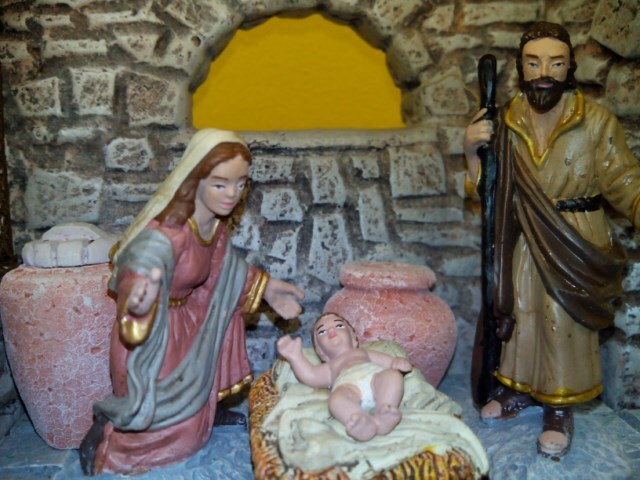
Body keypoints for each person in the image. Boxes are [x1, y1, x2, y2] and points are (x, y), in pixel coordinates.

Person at [79, 129, 304, 475]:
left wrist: (268, 289)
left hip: (187, 326)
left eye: (241, 184)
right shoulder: (167, 235)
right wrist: (139, 300)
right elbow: (138, 271)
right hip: (153, 337)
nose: (232, 194)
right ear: (194, 179)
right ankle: (108, 442)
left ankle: (206, 409)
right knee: (172, 435)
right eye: (220, 184)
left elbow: (225, 273)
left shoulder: (213, 228)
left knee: (195, 426)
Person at [464, 21, 640, 458]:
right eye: (534, 63)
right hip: (522, 234)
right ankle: (518, 388)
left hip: (575, 236)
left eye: (556, 63)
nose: (544, 73)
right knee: (522, 312)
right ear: (520, 67)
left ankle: (559, 405)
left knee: (561, 318)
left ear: (570, 67)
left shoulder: (594, 120)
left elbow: (623, 180)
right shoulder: (506, 120)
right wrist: (471, 151)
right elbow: (487, 190)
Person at [276, 312, 412, 442]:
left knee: (393, 376)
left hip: (374, 377)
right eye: (322, 332)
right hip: (348, 386)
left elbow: (388, 362)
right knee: (336, 399)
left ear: (352, 337)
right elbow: (311, 376)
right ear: (320, 351)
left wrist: (396, 362)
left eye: (339, 326)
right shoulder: (330, 367)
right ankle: (360, 421)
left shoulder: (364, 352)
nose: (331, 331)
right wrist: (295, 357)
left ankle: (385, 412)